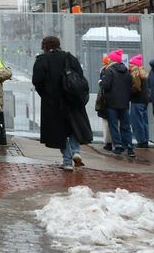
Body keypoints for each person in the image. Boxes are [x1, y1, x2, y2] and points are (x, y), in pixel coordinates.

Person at [31, 36, 93, 170]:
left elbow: (37, 81)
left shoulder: (42, 60)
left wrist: (45, 94)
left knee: (58, 131)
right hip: (72, 100)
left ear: (45, 46)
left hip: (53, 102)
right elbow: (80, 77)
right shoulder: (69, 58)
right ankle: (76, 152)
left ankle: (67, 161)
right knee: (73, 128)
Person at [99, 49, 134, 157]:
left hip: (112, 102)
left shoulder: (109, 70)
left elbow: (106, 85)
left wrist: (101, 82)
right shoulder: (127, 70)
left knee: (113, 125)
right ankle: (129, 146)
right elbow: (131, 86)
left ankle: (118, 145)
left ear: (112, 59)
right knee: (125, 125)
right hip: (124, 103)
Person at [128, 53, 151, 149]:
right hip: (144, 101)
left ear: (135, 65)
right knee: (144, 122)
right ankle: (145, 140)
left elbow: (135, 88)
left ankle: (141, 141)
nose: (129, 65)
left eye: (131, 64)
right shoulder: (144, 74)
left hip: (136, 101)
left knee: (136, 122)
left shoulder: (135, 74)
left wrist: (128, 94)